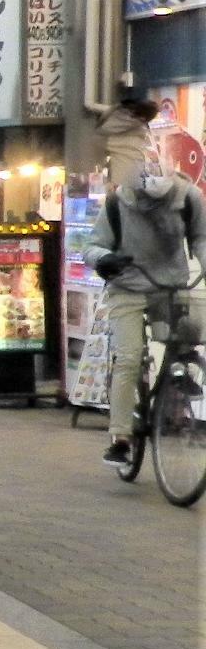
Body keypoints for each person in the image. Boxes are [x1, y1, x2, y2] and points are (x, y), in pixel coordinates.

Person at [87, 156, 206, 464]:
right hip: (127, 286)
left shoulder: (189, 197)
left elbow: (200, 237)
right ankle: (121, 437)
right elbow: (92, 246)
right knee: (128, 358)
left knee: (191, 330)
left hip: (170, 285)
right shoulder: (116, 204)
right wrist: (104, 258)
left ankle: (178, 370)